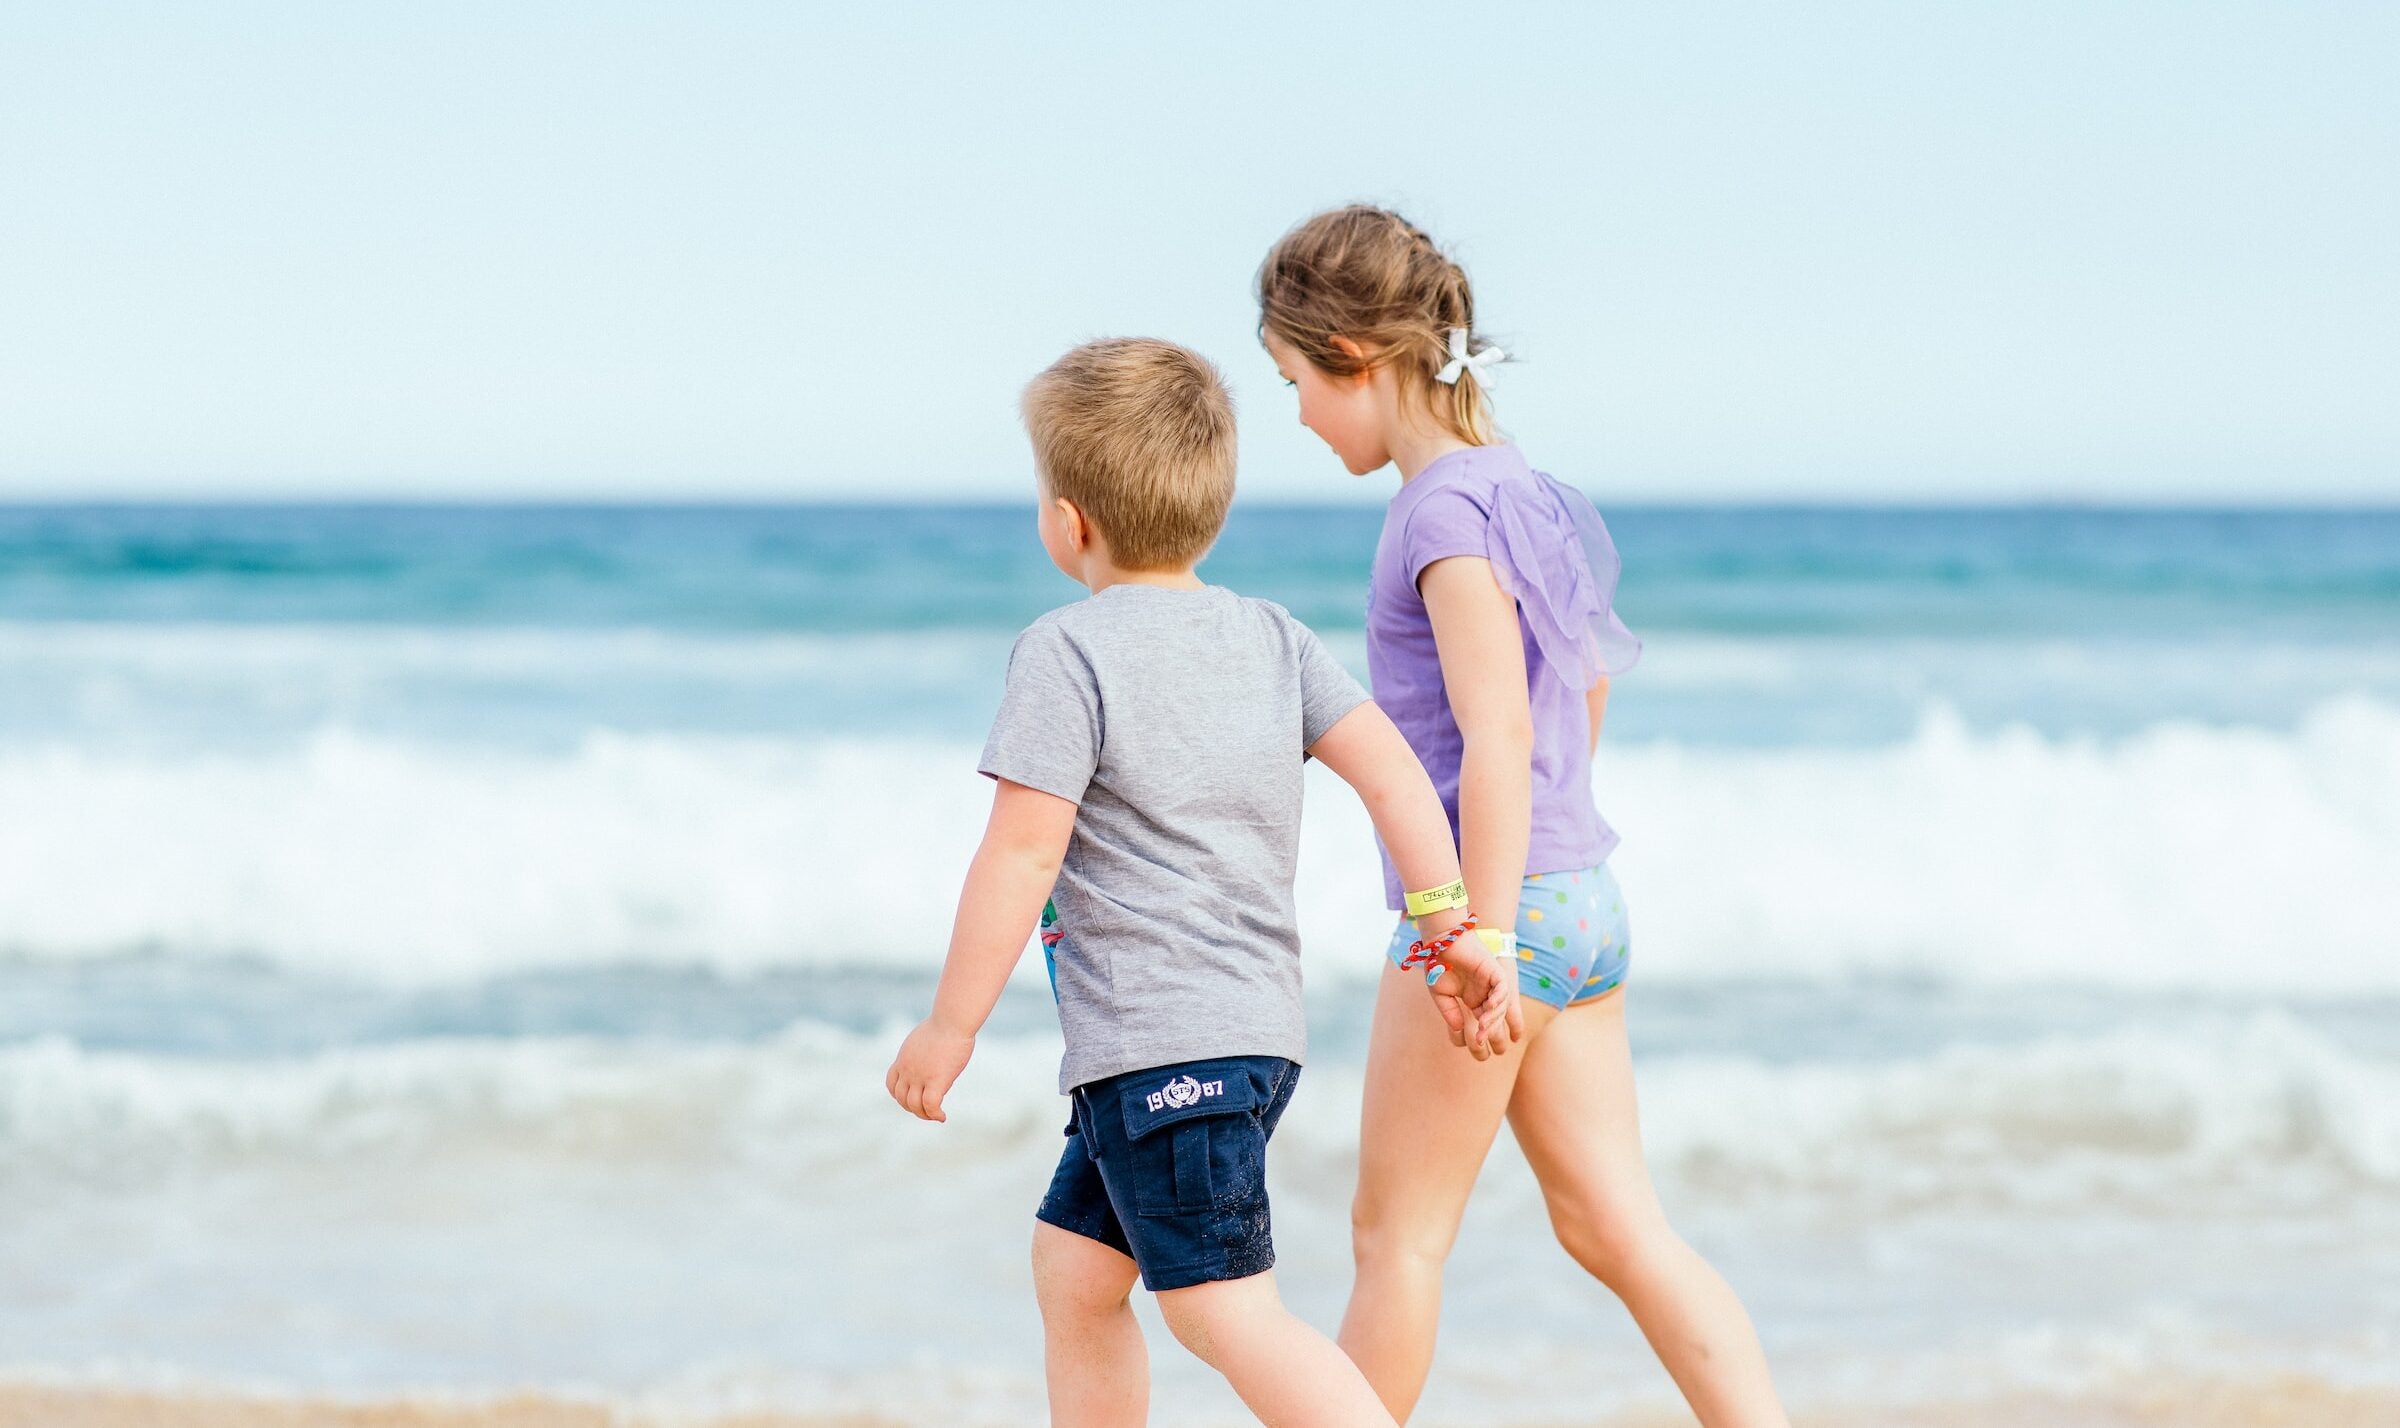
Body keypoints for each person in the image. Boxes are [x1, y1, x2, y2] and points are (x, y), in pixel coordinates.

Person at [885, 336, 1512, 1428]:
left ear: (1070, 519)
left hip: (1163, 1048)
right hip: (1248, 1041)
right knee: (1076, 1276)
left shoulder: (1065, 651)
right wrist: (1447, 920)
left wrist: (951, 1024)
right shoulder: (1273, 636)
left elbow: (1022, 851)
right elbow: (1398, 776)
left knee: (1225, 1313)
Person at [1257, 206, 1792, 1427]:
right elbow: (1584, 686)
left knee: (1397, 1240)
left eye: (1292, 381)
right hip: (1584, 904)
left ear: (1354, 355)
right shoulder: (1524, 490)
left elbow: (1495, 731)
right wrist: (1543, 882)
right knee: (1617, 1226)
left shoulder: (1438, 513)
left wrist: (1481, 934)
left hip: (1494, 924)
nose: (1292, 413)